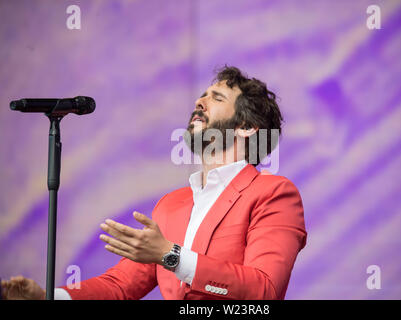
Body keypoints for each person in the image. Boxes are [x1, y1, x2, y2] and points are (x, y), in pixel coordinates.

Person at [1, 66, 307, 300]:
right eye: (203, 94)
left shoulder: (274, 193)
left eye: (217, 97)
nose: (200, 101)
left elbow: (264, 290)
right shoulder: (172, 205)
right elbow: (120, 286)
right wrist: (49, 297)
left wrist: (169, 255)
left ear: (247, 128)